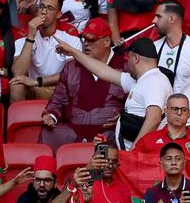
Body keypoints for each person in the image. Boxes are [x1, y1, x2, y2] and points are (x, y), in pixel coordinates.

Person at [56, 35, 168, 150]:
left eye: (128, 58)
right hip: (131, 154)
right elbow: (103, 71)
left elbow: (154, 119)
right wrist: (73, 51)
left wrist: (134, 151)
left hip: (141, 155)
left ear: (135, 58)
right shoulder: (141, 80)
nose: (127, 63)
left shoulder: (154, 81)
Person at [40, 17, 126, 148]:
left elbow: (135, 101)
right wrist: (51, 115)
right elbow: (58, 99)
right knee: (49, 133)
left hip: (109, 133)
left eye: (91, 40)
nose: (86, 44)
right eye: (84, 39)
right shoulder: (72, 67)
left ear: (107, 41)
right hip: (73, 131)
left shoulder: (124, 66)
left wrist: (123, 117)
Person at [152, 0, 190, 131]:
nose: (154, 20)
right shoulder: (154, 48)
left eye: (158, 16)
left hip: (187, 124)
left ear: (172, 18)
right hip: (158, 124)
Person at [10, 0, 81, 102]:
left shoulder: (71, 39)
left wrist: (38, 81)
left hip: (62, 88)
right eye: (41, 7)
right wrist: (30, 37)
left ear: (58, 14)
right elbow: (18, 73)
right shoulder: (24, 40)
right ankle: (19, 119)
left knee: (76, 83)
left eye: (49, 8)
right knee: (16, 85)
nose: (43, 12)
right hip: (35, 88)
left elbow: (70, 74)